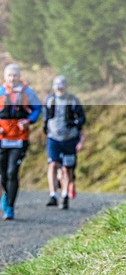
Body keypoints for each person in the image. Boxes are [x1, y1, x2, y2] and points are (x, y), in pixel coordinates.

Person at [0, 64, 42, 220]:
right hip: (2, 138)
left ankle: (10, 207)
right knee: (3, 173)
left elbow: (38, 109)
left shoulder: (27, 92)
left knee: (12, 172)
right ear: (5, 77)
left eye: (15, 75)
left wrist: (28, 120)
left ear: (19, 76)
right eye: (9, 75)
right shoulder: (1, 91)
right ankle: (6, 195)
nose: (12, 78)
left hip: (19, 138)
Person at [43, 75, 86, 210]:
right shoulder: (50, 100)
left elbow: (82, 118)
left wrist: (73, 123)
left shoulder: (73, 100)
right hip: (53, 137)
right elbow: (46, 116)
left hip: (69, 138)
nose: (59, 90)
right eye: (57, 87)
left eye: (61, 87)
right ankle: (53, 194)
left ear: (66, 87)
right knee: (52, 164)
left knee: (67, 168)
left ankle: (65, 194)